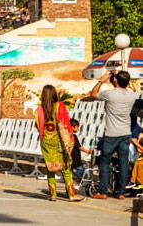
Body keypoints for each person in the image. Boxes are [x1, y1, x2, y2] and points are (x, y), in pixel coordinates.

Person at [90, 70, 135, 199]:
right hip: (125, 132)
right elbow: (130, 88)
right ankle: (121, 192)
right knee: (123, 162)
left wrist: (101, 81)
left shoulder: (109, 94)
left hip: (111, 133)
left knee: (104, 161)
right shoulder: (132, 96)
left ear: (115, 80)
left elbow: (93, 95)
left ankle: (103, 191)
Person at [34, 84, 83, 202]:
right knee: (66, 168)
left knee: (50, 168)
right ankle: (71, 194)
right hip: (59, 141)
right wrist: (69, 139)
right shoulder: (59, 106)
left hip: (46, 142)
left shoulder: (39, 110)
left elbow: (37, 125)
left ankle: (53, 195)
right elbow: (65, 123)